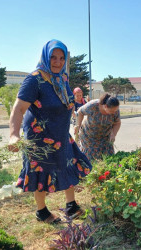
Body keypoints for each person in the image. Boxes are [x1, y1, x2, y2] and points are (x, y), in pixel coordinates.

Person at [8, 39, 92, 224]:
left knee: (67, 165)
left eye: (62, 58)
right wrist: (14, 135)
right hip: (39, 137)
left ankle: (71, 206)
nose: (58, 61)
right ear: (45, 57)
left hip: (60, 134)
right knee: (41, 171)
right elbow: (18, 109)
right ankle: (42, 212)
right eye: (53, 57)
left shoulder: (62, 78)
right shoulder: (34, 79)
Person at [74, 94, 121, 161]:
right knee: (89, 160)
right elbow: (80, 112)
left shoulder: (115, 110)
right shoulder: (93, 105)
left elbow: (117, 123)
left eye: (115, 111)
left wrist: (113, 134)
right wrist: (77, 126)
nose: (114, 113)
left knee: (107, 158)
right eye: (111, 111)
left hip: (105, 137)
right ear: (105, 106)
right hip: (88, 137)